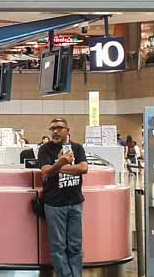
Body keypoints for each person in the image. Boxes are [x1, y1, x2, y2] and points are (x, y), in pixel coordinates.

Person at [37, 118, 88, 277]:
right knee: (58, 246)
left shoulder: (77, 148)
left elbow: (83, 168)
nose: (55, 131)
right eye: (52, 129)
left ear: (68, 130)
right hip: (54, 204)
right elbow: (45, 172)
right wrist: (61, 163)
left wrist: (58, 167)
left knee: (75, 245)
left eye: (59, 128)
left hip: (75, 203)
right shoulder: (45, 149)